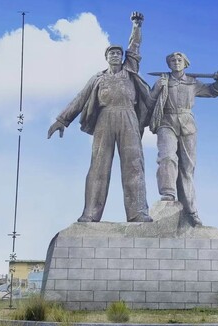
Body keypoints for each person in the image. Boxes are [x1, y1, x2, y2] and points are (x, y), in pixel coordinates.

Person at [47, 12, 153, 223]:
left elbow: (134, 46)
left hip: (128, 116)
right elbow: (80, 98)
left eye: (118, 53)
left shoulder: (130, 70)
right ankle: (90, 213)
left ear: (122, 57)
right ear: (106, 57)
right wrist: (62, 120)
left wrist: (136, 25)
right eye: (111, 53)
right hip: (105, 119)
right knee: (98, 167)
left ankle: (138, 212)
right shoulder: (97, 78)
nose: (115, 55)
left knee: (134, 165)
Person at [150, 52, 218, 226]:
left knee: (187, 168)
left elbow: (213, 91)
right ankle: (168, 195)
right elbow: (149, 100)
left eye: (179, 60)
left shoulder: (192, 82)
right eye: (172, 61)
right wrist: (156, 89)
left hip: (187, 124)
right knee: (167, 157)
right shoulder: (163, 80)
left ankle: (190, 209)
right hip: (166, 121)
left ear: (185, 63)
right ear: (168, 64)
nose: (176, 63)